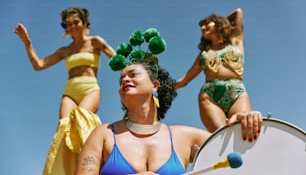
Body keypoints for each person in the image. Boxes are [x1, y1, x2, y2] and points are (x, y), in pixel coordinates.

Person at [76, 58, 262, 175]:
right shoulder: (103, 135)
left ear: (155, 85)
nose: (125, 80)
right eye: (121, 79)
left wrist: (244, 124)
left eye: (133, 74)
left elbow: (238, 160)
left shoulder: (186, 137)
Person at [14, 7, 116, 175]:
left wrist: (138, 69)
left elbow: (117, 58)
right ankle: (66, 170)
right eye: (68, 24)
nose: (73, 26)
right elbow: (38, 65)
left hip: (90, 87)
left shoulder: (95, 41)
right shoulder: (65, 50)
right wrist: (27, 42)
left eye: (76, 22)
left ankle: (95, 164)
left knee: (82, 120)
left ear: (84, 23)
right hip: (70, 91)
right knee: (64, 127)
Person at [175, 8, 260, 141]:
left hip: (236, 91)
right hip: (210, 95)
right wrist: (161, 87)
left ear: (218, 24)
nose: (203, 28)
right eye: (201, 26)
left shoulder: (236, 40)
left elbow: (238, 12)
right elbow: (184, 80)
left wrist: (221, 21)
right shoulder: (204, 54)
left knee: (244, 133)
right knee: (220, 137)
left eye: (207, 24)